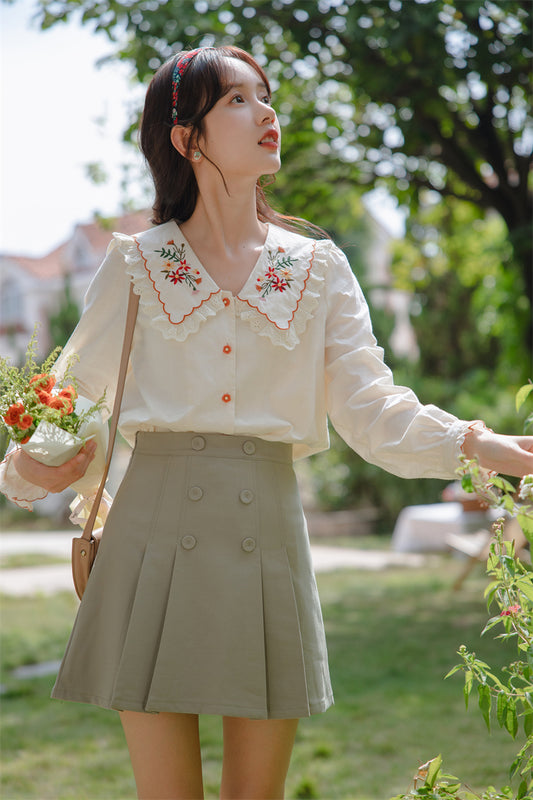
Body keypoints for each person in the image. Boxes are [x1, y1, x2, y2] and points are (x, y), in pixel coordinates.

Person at [2, 45, 532, 800]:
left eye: (266, 96)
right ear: (186, 137)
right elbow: (66, 411)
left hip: (267, 537)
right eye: (239, 102)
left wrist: (482, 446)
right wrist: (32, 469)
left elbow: (371, 409)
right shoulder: (134, 263)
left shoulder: (318, 267)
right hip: (147, 541)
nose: (268, 114)